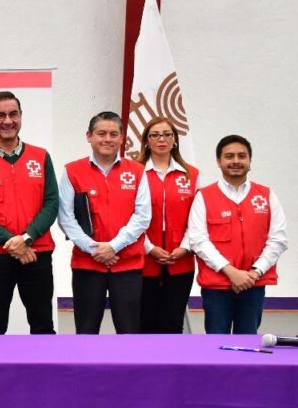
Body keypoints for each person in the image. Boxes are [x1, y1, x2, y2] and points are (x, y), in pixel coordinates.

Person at [0, 91, 58, 335]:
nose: (8, 121)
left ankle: (43, 363)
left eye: (13, 114)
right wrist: (12, 242)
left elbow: (51, 203)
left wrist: (26, 239)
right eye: (0, 115)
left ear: (21, 116)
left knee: (43, 324)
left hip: (36, 252)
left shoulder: (41, 157)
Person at [57, 111, 150, 334]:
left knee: (129, 331)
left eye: (113, 134)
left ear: (122, 138)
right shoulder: (72, 171)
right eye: (101, 133)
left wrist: (113, 246)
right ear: (89, 136)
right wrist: (95, 249)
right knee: (86, 331)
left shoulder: (137, 171)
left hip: (127, 264)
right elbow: (66, 217)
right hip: (87, 264)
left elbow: (143, 216)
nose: (107, 139)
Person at [187, 135, 287, 335]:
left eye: (242, 156)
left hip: (253, 284)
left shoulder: (266, 195)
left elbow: (278, 239)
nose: (236, 161)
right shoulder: (204, 197)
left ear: (250, 160)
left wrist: (255, 272)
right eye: (229, 156)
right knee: (216, 342)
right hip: (217, 286)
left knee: (248, 341)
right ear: (218, 161)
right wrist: (231, 272)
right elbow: (198, 240)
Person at [137, 117, 199, 333]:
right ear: (146, 141)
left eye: (167, 135)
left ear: (175, 140)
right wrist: (149, 248)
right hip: (143, 258)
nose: (161, 139)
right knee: (144, 322)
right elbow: (127, 217)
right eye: (155, 135)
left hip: (180, 259)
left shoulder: (191, 174)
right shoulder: (134, 172)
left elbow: (197, 219)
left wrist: (185, 247)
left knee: (172, 322)